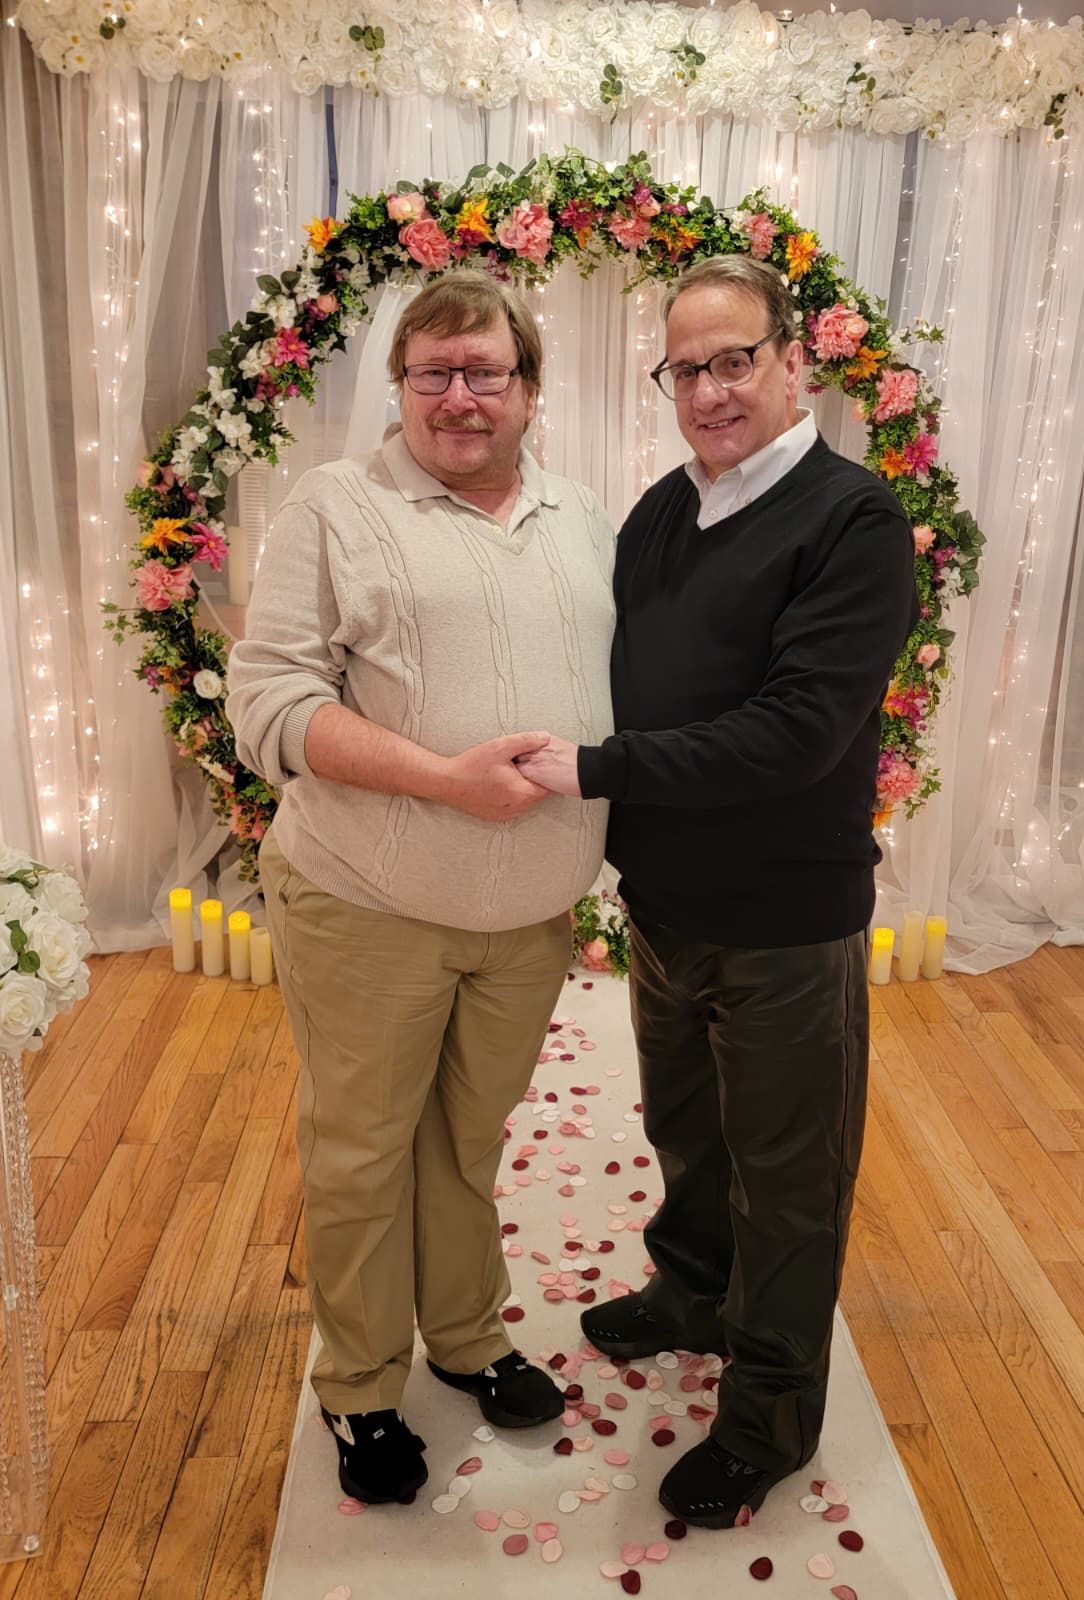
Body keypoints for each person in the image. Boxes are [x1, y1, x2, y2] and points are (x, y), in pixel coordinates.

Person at [516, 254, 918, 1528]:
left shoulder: (852, 522)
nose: (709, 388)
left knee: (787, 1177)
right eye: (685, 367)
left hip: (787, 922)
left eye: (733, 357)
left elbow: (794, 733)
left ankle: (769, 1412)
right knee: (688, 1134)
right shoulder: (659, 514)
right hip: (667, 905)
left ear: (794, 359)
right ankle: (690, 1290)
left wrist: (588, 770)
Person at [226, 270, 615, 1505]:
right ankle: (358, 1386)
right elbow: (270, 707)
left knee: (466, 1142)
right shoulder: (334, 507)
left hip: (529, 917)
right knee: (360, 1152)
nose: (459, 397)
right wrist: (444, 781)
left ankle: (467, 1338)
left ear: (530, 388)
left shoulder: (583, 516)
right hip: (367, 903)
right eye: (432, 373)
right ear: (396, 388)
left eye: (484, 372)